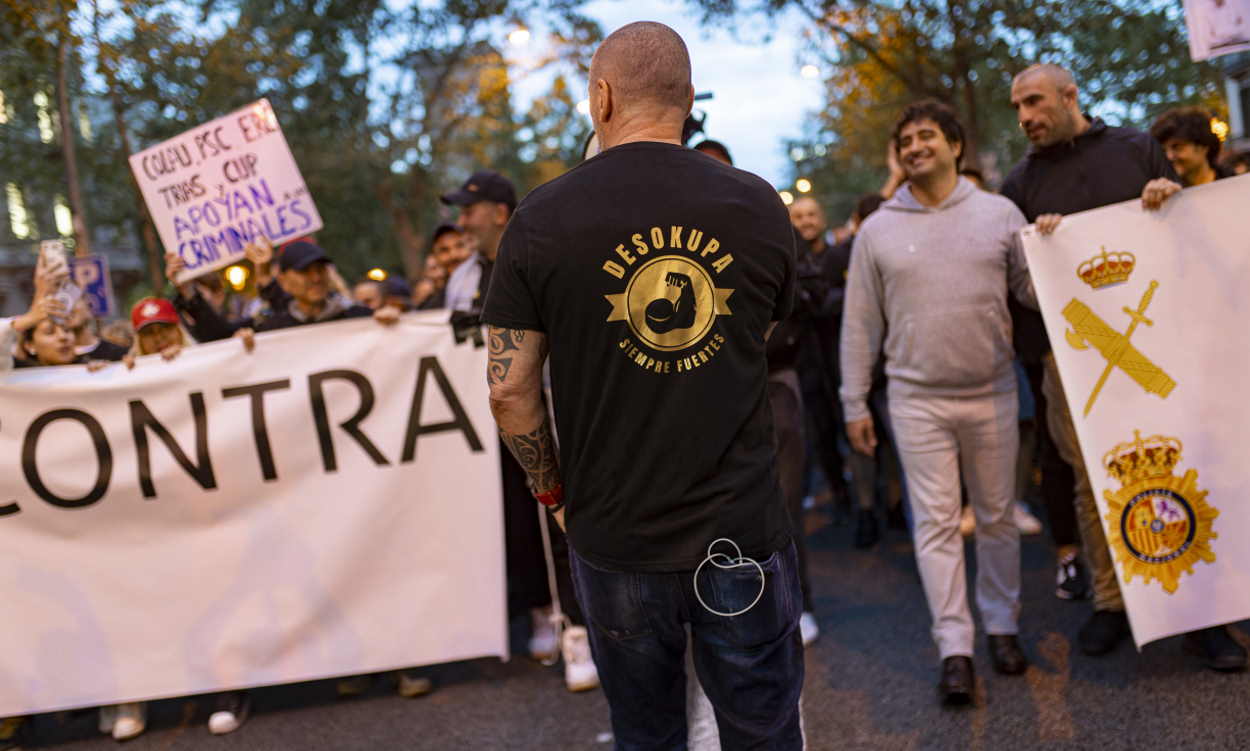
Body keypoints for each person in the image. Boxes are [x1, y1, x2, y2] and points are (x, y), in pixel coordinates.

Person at [483, 21, 803, 747]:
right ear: (688, 101)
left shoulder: (539, 219)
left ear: (600, 98)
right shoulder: (755, 205)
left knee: (647, 733)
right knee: (763, 728)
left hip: (614, 535)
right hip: (740, 533)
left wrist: (552, 492)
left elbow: (509, 391)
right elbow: (753, 338)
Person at [1002, 63, 1246, 670]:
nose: (1025, 117)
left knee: (1186, 462)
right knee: (1094, 483)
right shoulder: (1018, 185)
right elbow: (1020, 284)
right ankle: (1111, 602)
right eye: (1016, 108)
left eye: (1034, 102)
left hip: (1161, 351)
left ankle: (1205, 616)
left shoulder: (1137, 150)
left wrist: (1170, 200)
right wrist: (1044, 253)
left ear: (1069, 95)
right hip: (1075, 364)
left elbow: (1187, 241)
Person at [841, 100, 1035, 706]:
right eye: (905, 139)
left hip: (993, 392)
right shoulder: (876, 230)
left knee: (999, 516)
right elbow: (859, 324)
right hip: (915, 400)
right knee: (936, 525)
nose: (914, 146)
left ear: (956, 145)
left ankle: (1002, 627)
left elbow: (1036, 293)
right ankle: (955, 647)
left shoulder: (1001, 213)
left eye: (927, 135)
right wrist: (854, 402)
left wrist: (1052, 241)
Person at [440, 170, 599, 693]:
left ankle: (577, 626)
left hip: (549, 409)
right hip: (483, 425)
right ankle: (544, 611)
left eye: (470, 209)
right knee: (517, 517)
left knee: (557, 510)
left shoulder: (536, 254)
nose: (461, 221)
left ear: (500, 212)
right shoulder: (461, 276)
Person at [786, 196, 852, 520]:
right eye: (798, 216)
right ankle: (837, 490)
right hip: (807, 363)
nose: (806, 221)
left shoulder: (838, 257)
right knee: (819, 431)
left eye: (811, 214)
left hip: (840, 356)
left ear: (822, 219)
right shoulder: (788, 260)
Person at [1150, 107, 1230, 186]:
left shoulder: (1233, 183)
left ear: (1203, 146)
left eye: (1177, 147)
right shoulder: (1168, 193)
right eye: (1164, 150)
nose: (1169, 156)